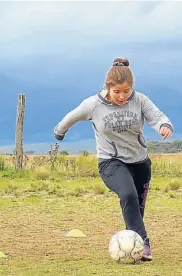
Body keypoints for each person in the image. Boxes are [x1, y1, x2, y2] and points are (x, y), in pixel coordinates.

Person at [53, 57, 173, 261]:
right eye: (117, 91)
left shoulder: (140, 100)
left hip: (140, 162)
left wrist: (164, 125)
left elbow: (156, 115)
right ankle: (143, 245)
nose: (122, 96)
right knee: (128, 195)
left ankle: (132, 246)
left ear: (131, 88)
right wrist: (59, 132)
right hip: (111, 162)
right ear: (107, 87)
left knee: (137, 207)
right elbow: (70, 117)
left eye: (126, 91)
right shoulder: (93, 105)